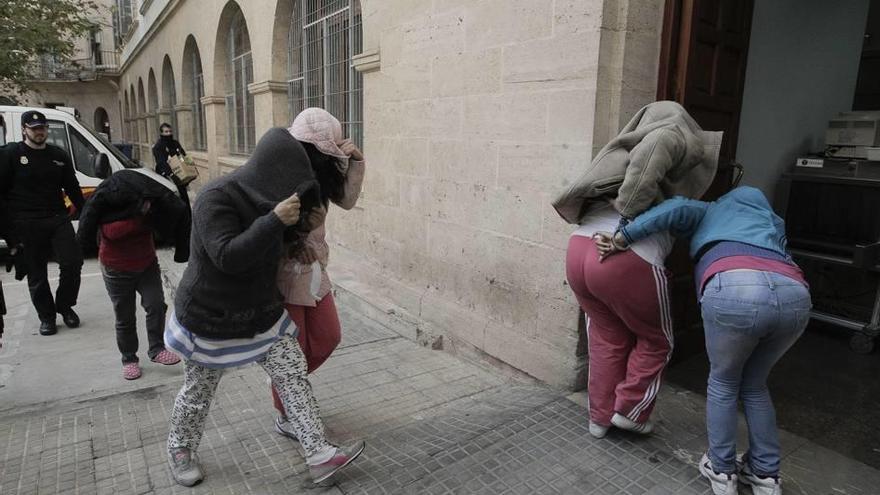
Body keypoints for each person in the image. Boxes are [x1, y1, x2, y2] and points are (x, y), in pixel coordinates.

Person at [163, 127, 364, 487]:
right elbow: (228, 256)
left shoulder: (268, 199)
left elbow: (276, 245)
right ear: (267, 176)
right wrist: (274, 221)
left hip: (260, 311)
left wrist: (301, 230)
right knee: (198, 392)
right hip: (211, 317)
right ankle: (180, 447)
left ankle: (319, 454)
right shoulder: (215, 197)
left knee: (292, 375)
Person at [597, 186, 811, 495]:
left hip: (734, 286)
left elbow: (673, 208)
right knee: (755, 384)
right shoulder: (771, 222)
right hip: (794, 293)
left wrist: (621, 238)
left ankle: (722, 471)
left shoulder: (711, 209)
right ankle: (765, 475)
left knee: (724, 382)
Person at [553, 101, 723, 438]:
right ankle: (632, 411)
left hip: (579, 248)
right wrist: (627, 220)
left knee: (604, 337)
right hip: (625, 255)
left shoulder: (625, 146)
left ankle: (599, 419)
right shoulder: (671, 131)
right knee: (657, 341)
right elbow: (656, 151)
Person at [270, 108, 366, 439]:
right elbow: (266, 221)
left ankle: (284, 383)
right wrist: (292, 242)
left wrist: (354, 162)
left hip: (314, 270)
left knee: (328, 336)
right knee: (294, 349)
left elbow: (348, 201)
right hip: (284, 274)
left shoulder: (322, 171)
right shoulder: (279, 169)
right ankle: (286, 410)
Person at [77, 168, 191, 380]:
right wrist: (142, 217)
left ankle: (156, 349)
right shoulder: (108, 203)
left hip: (146, 263)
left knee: (156, 305)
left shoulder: (148, 200)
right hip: (116, 269)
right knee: (125, 317)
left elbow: (173, 213)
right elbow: (113, 232)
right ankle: (129, 358)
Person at [0, 110, 85, 336]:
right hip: (26, 222)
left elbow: (73, 189)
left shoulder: (58, 155)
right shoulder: (11, 154)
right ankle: (46, 316)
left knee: (72, 263)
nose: (40, 132)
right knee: (36, 274)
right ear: (24, 129)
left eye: (43, 128)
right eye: (35, 128)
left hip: (57, 217)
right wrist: (9, 231)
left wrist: (88, 215)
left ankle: (65, 306)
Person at [151, 123, 191, 205]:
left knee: (184, 198)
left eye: (170, 131)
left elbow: (183, 155)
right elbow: (161, 163)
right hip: (166, 177)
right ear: (161, 133)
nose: (168, 134)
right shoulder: (158, 146)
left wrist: (189, 167)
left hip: (179, 174)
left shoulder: (175, 143)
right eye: (166, 132)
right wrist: (170, 174)